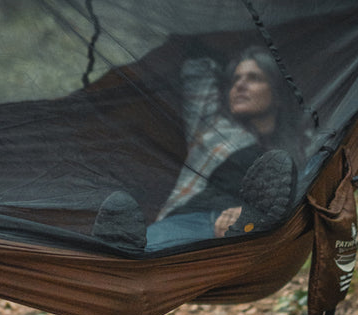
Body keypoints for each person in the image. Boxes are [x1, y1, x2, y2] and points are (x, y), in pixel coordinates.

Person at [92, 46, 305, 250]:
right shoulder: (213, 124)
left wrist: (244, 213)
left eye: (254, 78)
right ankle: (118, 255)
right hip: (196, 217)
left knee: (270, 186)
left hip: (252, 229)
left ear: (277, 93)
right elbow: (196, 68)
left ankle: (249, 223)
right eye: (235, 79)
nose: (239, 85)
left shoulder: (301, 144)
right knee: (152, 251)